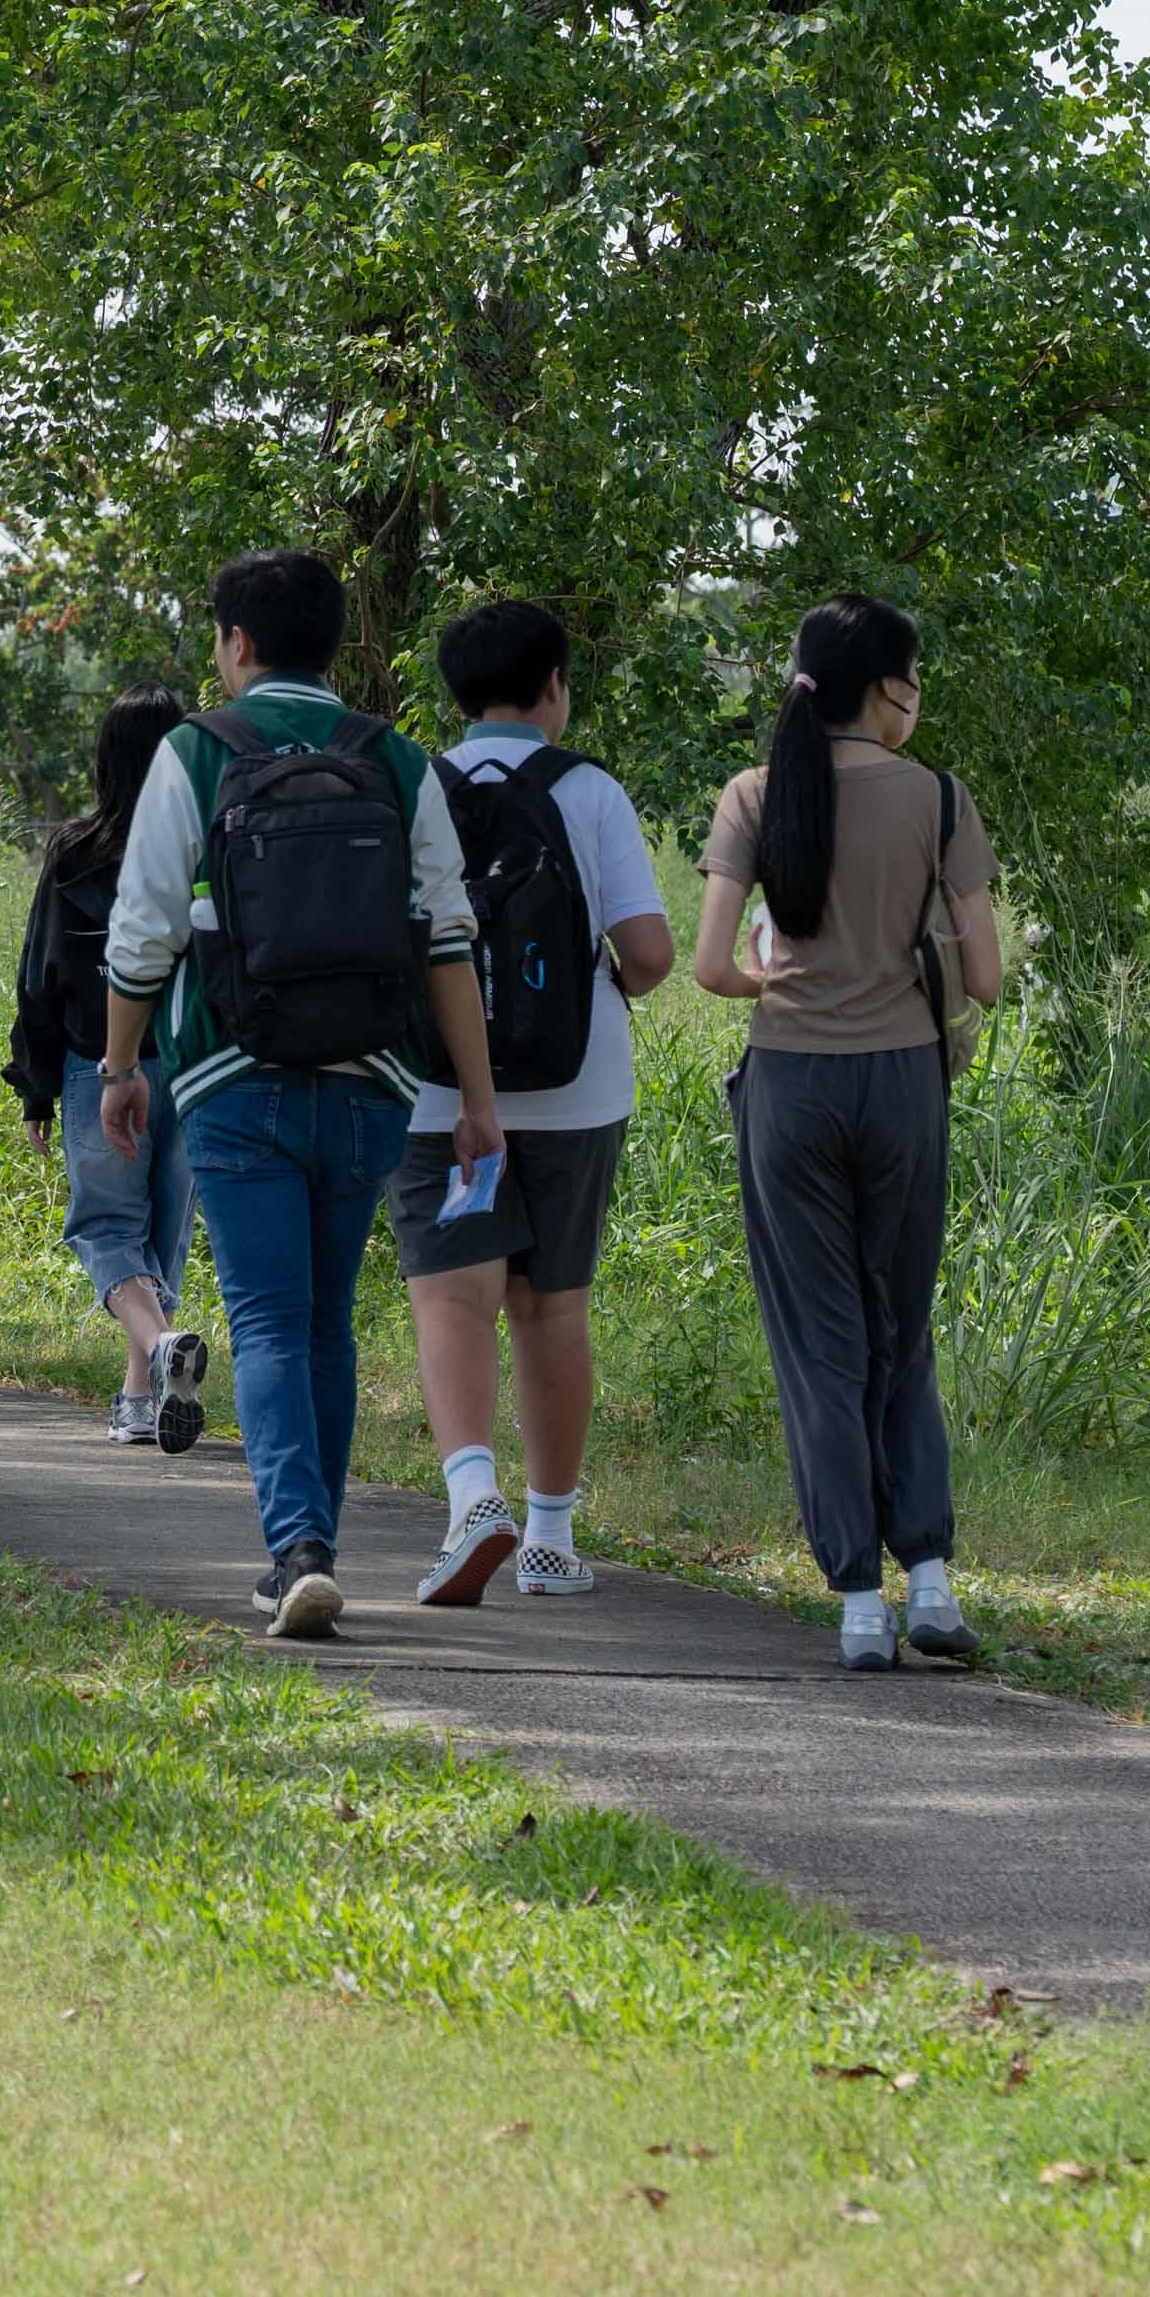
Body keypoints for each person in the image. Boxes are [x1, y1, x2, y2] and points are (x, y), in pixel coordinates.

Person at [94, 549, 509, 1643]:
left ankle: (299, 1552)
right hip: (374, 1082)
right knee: (327, 1322)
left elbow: (144, 928)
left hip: (236, 1077)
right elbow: (449, 938)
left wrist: (121, 1067)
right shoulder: (397, 758)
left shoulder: (198, 749)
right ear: (332, 644)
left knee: (270, 1318)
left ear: (236, 642)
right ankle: (312, 1543)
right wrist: (477, 1099)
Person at [704, 591, 1010, 1675]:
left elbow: (711, 968)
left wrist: (777, 976)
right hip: (902, 1084)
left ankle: (859, 1606)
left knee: (820, 1350)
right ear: (888, 687)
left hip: (789, 1084)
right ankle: (931, 1580)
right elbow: (986, 976)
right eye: (913, 677)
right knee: (900, 1332)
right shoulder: (939, 798)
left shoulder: (754, 793)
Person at [406, 599, 679, 1605]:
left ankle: (472, 1496)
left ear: (456, 691)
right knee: (551, 1304)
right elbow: (648, 953)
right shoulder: (589, 790)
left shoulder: (417, 785)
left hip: (439, 1090)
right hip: (576, 1088)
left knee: (452, 1296)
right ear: (555, 685)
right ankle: (551, 1538)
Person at [16, 691, 202, 1450]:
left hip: (100, 1062)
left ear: (106, 760)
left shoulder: (75, 851)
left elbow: (41, 974)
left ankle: (158, 1350)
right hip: (193, 1063)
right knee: (163, 1230)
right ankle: (140, 1398)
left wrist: (35, 1084)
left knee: (104, 1228)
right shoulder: (204, 844)